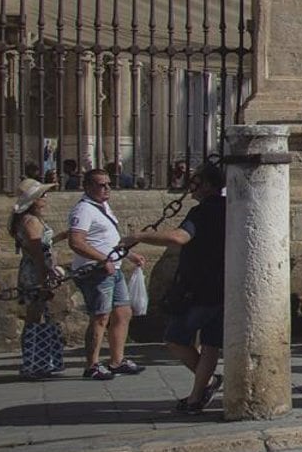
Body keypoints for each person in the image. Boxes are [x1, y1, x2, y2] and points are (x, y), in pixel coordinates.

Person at [110, 162, 227, 412]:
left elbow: (179, 237)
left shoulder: (202, 212)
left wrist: (139, 237)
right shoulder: (232, 209)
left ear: (207, 185)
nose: (192, 186)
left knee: (175, 338)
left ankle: (207, 382)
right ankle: (196, 397)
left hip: (198, 288)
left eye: (196, 181)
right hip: (223, 286)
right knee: (210, 345)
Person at [67, 168, 144, 381]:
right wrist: (102, 259)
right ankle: (91, 364)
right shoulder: (83, 210)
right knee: (101, 316)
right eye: (101, 185)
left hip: (114, 267)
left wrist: (129, 255)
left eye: (108, 184)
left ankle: (116, 361)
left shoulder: (102, 207)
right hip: (96, 271)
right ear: (88, 186)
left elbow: (109, 238)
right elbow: (76, 241)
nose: (107, 188)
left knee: (123, 312)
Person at [9, 180, 60, 369]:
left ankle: (38, 358)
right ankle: (32, 359)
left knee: (38, 315)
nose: (45, 199)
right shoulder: (31, 221)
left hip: (33, 268)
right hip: (35, 271)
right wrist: (44, 274)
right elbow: (37, 251)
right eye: (42, 196)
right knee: (34, 316)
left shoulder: (30, 220)